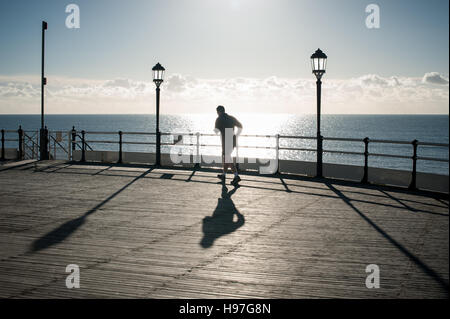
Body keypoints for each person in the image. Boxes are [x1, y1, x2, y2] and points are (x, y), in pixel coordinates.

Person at [214, 105, 243, 185]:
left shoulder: (219, 119)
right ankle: (223, 175)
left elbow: (216, 131)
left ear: (219, 111)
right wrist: (236, 135)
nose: (217, 113)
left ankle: (236, 176)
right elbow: (240, 126)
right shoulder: (231, 118)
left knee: (227, 158)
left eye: (217, 112)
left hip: (225, 141)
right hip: (232, 140)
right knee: (227, 158)